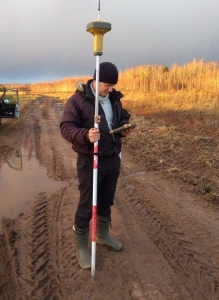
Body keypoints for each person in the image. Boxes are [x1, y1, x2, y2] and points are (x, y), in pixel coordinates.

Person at [60, 62, 133, 269]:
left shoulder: (114, 99)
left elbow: (122, 115)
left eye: (112, 86)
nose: (111, 90)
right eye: (108, 85)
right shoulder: (78, 100)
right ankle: (82, 247)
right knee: (86, 204)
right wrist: (84, 135)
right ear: (96, 80)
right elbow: (66, 127)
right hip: (89, 161)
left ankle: (102, 235)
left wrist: (124, 126)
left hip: (112, 159)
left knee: (106, 200)